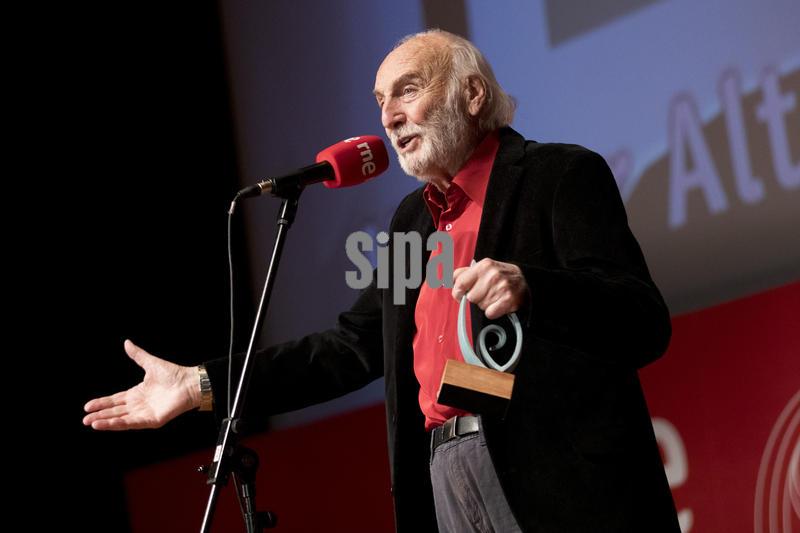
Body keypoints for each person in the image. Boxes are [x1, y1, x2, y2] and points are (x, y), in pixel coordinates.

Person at [84, 30, 680, 532]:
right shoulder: (412, 223)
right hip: (446, 470)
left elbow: (642, 320)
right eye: (379, 101)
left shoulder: (558, 177)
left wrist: (534, 286)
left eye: (408, 91)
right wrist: (201, 385)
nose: (389, 116)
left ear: (472, 95)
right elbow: (351, 347)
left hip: (561, 476)